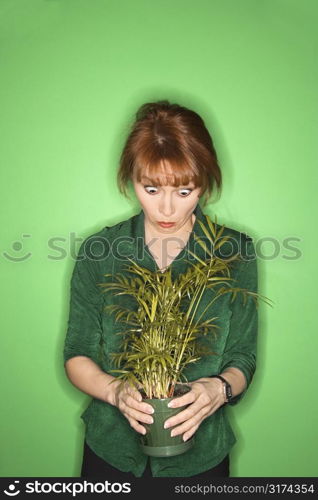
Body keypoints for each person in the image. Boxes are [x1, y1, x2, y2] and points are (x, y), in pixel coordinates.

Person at [63, 100, 258, 478]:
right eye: (151, 189)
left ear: (205, 181)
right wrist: (114, 392)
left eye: (185, 191)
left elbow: (243, 357)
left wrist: (218, 389)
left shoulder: (234, 252)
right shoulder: (99, 252)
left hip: (202, 457)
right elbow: (76, 353)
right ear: (130, 178)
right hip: (111, 452)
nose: (167, 209)